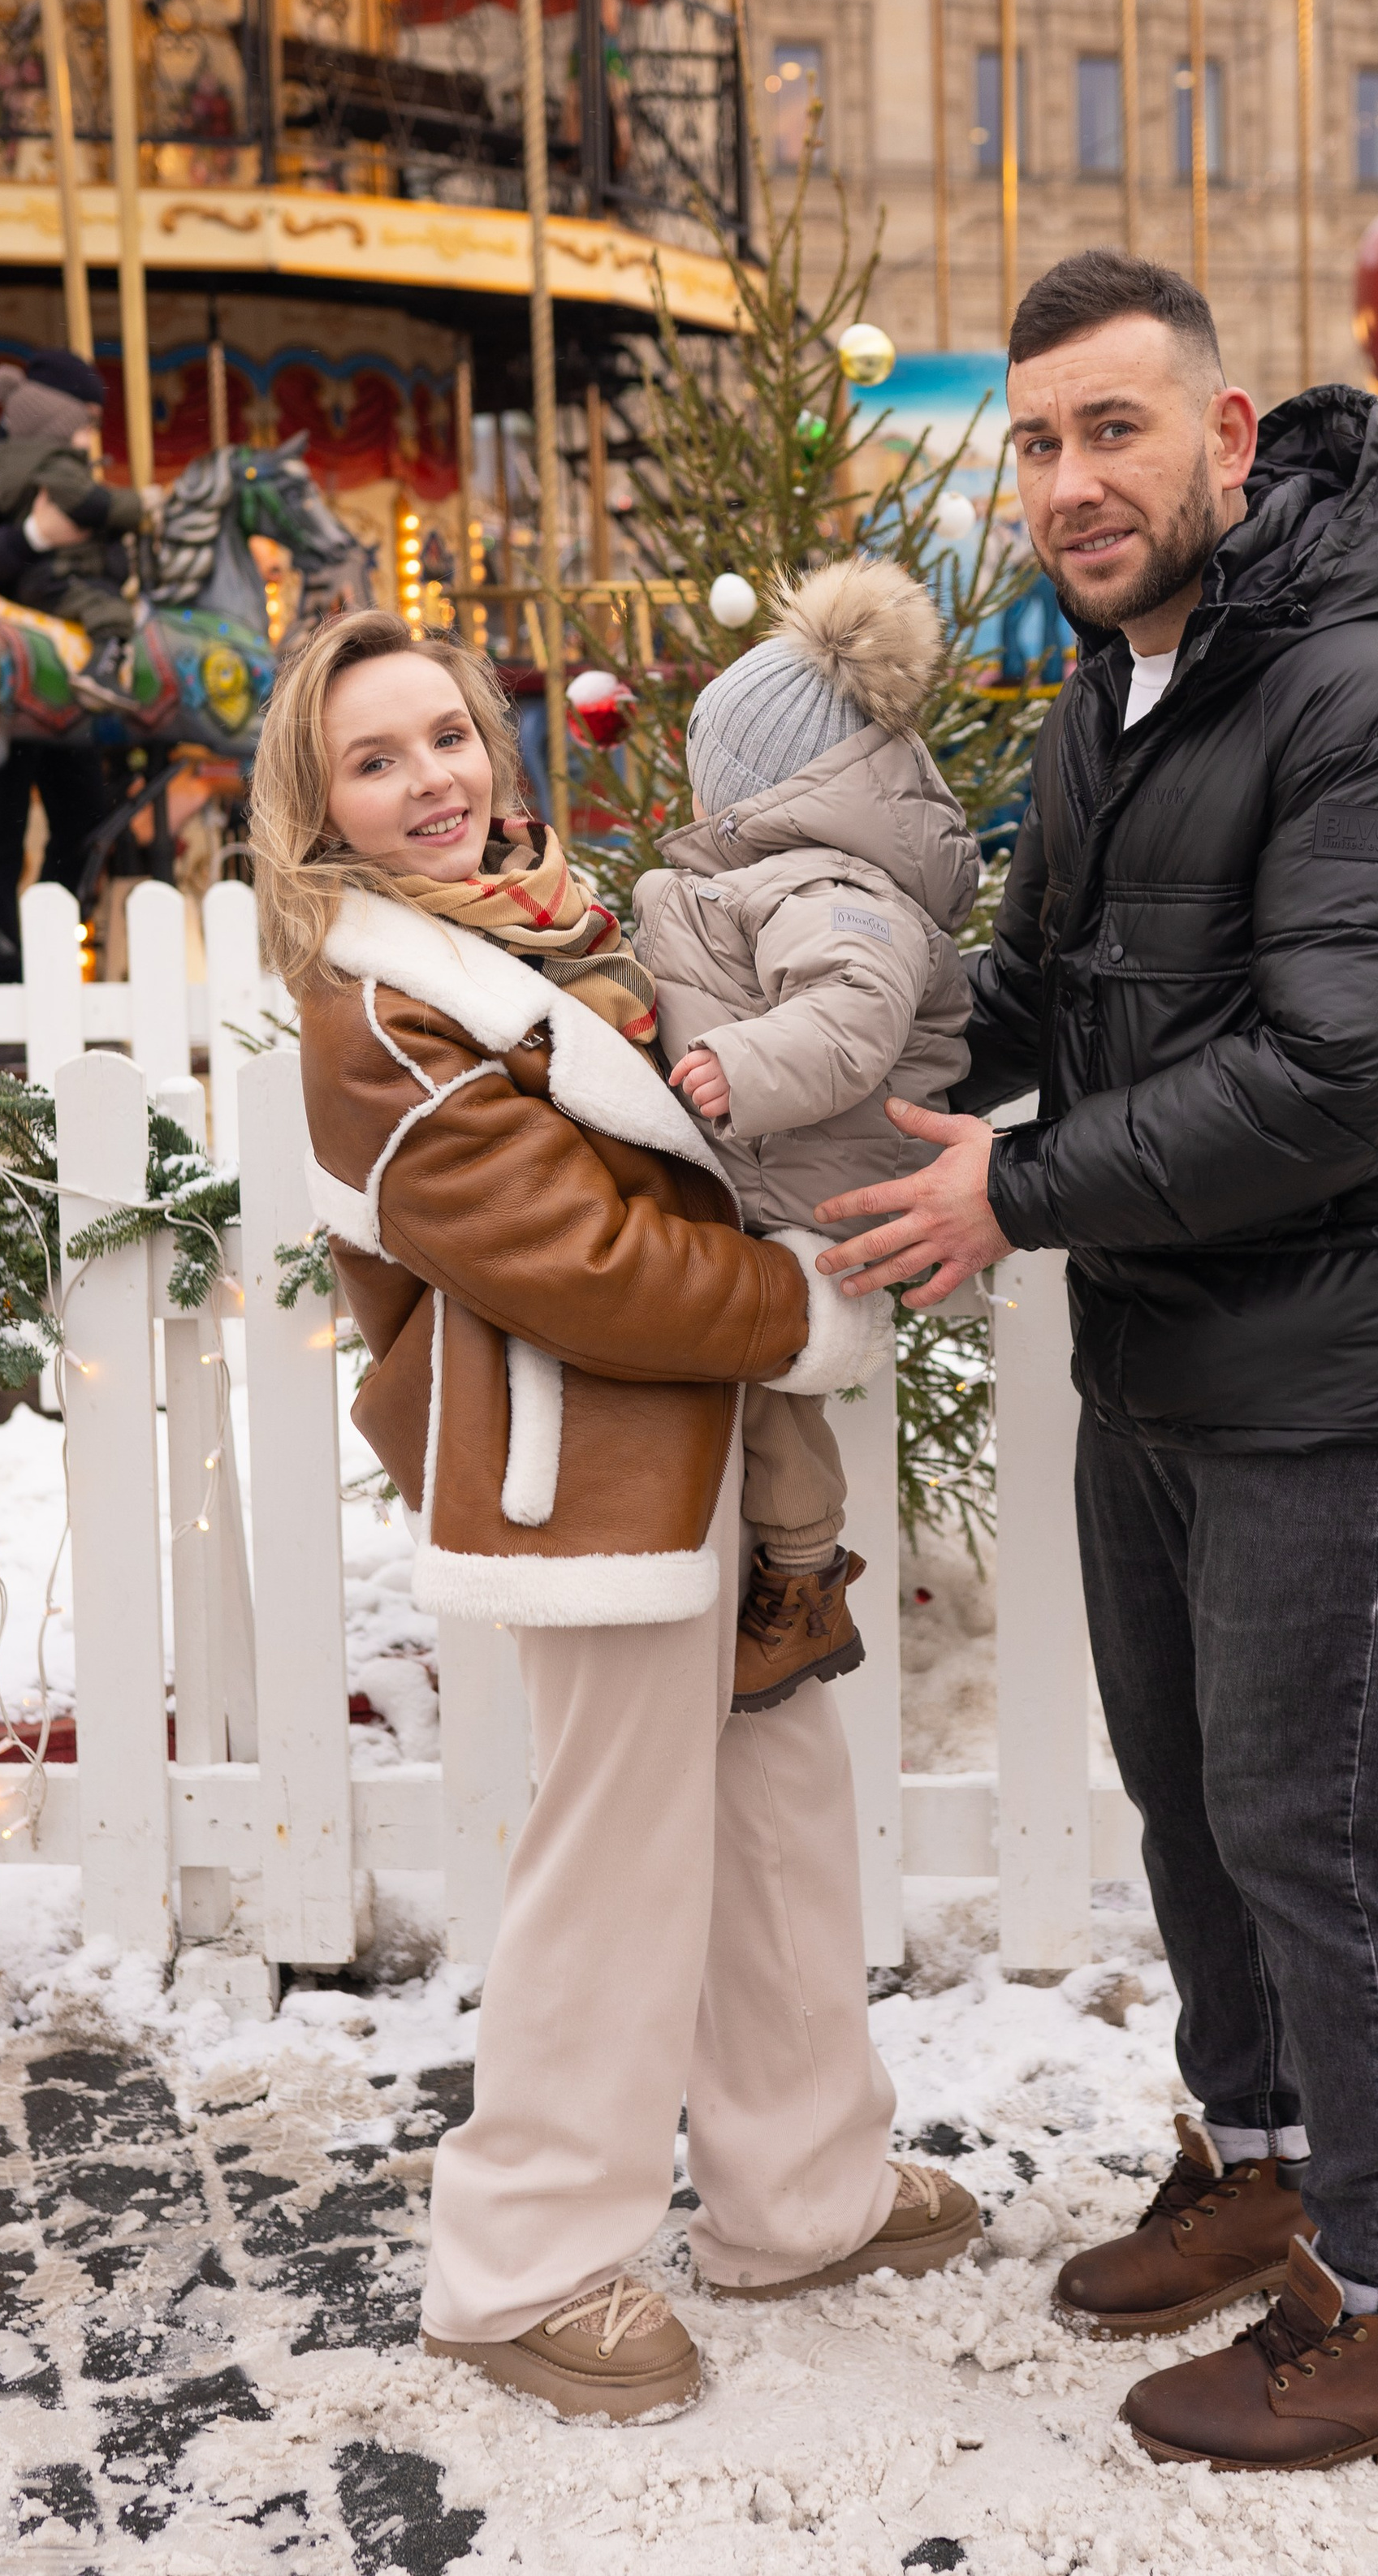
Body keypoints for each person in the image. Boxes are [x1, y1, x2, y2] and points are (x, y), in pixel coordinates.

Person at [813, 250, 1378, 2474]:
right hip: (1174, 1345)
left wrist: (1015, 1197)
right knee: (1201, 1809)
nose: (1065, 482)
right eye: (1034, 442)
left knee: (1320, 1838)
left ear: (1231, 438)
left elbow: (1342, 1073)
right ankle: (1257, 2161)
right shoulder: (1106, 703)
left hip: (1342, 1354)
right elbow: (1036, 1003)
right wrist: (806, 1040)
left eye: (1112, 430)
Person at [255, 606, 978, 2424]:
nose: (428, 779)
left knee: (777, 1816)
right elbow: (568, 1256)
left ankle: (796, 2192)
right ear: (317, 803)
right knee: (617, 1846)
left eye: (444, 734)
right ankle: (520, 2258)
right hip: (582, 1461)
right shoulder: (381, 1001)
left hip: (716, 1449)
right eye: (374, 757)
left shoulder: (561, 921)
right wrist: (801, 1312)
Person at [633, 558, 981, 1711]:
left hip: (804, 1190)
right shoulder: (787, 873)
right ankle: (785, 1565)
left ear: (758, 783)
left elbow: (854, 1014)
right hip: (763, 1168)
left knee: (774, 1392)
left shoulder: (834, 885)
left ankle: (803, 1581)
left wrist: (740, 1065)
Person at [0, 347, 122, 965]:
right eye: (85, 413)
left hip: (64, 673)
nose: (91, 427)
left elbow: (112, 556)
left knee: (89, 816)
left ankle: (46, 937)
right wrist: (37, 535)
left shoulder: (80, 463)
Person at [0, 358, 149, 702]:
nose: (91, 440)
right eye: (85, 429)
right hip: (61, 573)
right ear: (57, 428)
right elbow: (93, 505)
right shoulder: (55, 466)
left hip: (54, 572)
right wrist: (141, 505)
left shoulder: (31, 463)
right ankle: (100, 673)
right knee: (111, 610)